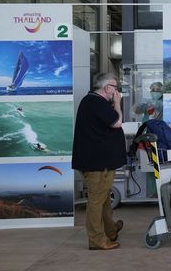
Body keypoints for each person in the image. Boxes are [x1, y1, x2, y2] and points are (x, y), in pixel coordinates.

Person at [72, 72, 126, 250]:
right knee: (96, 201)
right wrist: (117, 103)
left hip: (98, 160)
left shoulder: (92, 101)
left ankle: (110, 230)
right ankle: (96, 240)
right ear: (107, 87)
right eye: (115, 88)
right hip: (97, 163)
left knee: (103, 199)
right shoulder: (96, 102)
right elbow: (117, 123)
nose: (116, 92)